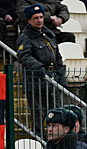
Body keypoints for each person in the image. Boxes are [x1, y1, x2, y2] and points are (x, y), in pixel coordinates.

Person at [16, 4, 66, 139]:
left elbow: (58, 58)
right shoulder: (25, 37)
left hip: (52, 81)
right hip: (36, 83)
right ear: (29, 21)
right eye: (35, 18)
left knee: (56, 115)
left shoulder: (49, 35)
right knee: (39, 117)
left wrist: (61, 76)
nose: (39, 20)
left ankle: (56, 142)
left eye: (41, 17)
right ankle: (41, 143)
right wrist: (39, 68)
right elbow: (23, 56)